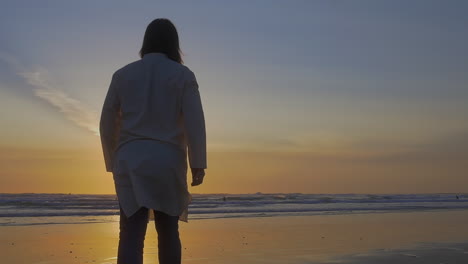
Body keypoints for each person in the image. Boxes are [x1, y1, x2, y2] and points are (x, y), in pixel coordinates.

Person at [99, 18, 207, 264]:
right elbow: (195, 122)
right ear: (174, 44)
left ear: (145, 43)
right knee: (168, 232)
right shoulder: (183, 75)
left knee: (130, 232)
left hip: (130, 159)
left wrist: (112, 160)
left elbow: (107, 121)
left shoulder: (123, 74)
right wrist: (198, 162)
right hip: (167, 160)